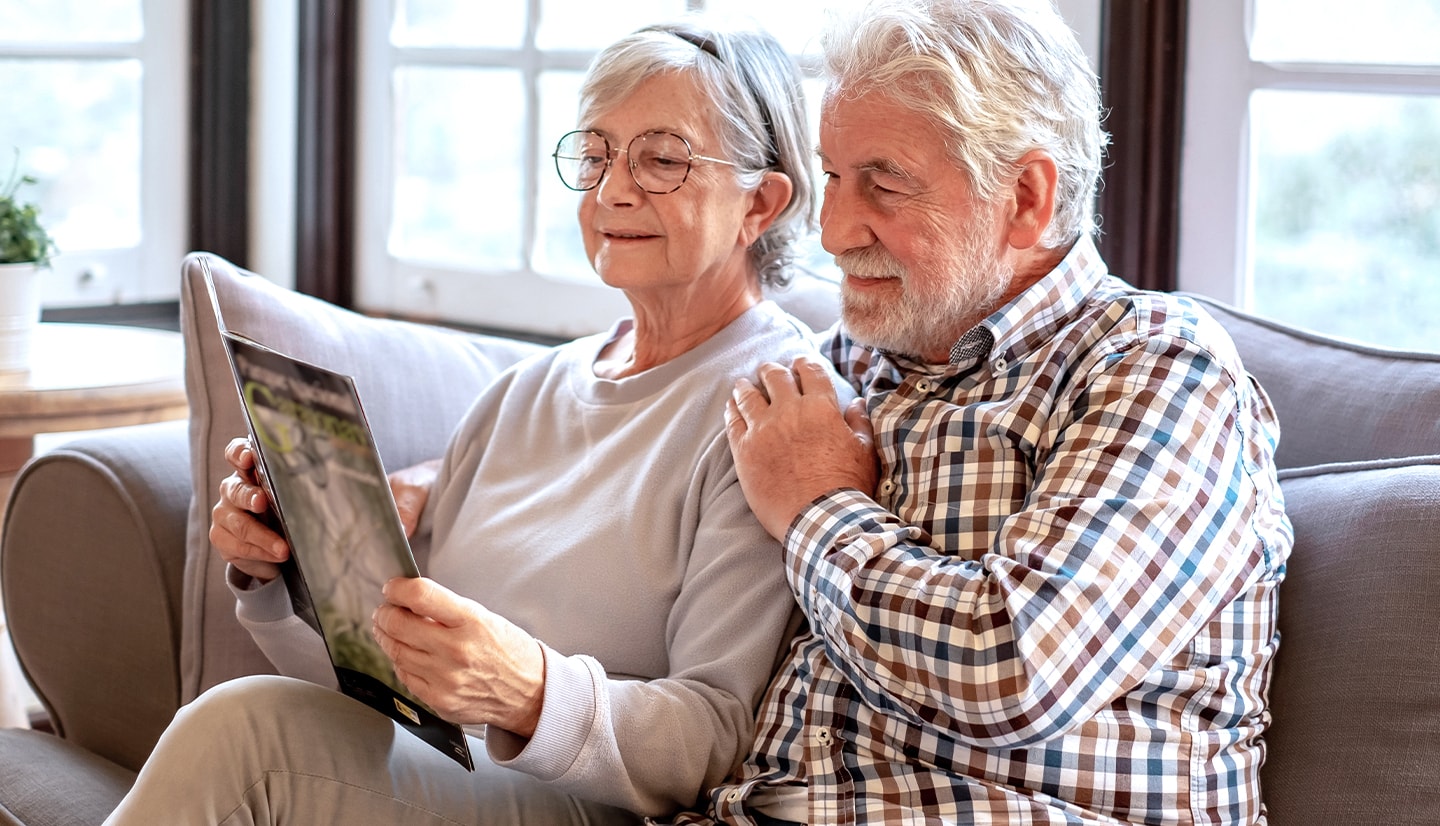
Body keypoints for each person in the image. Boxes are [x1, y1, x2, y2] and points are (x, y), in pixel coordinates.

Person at [103, 17, 850, 826]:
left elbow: (713, 736)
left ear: (763, 200)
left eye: (662, 160)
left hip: (581, 807)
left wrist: (530, 690)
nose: (612, 191)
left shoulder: (775, 412)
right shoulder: (524, 392)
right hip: (436, 779)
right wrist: (279, 573)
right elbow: (379, 692)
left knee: (242, 729)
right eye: (595, 155)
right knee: (251, 722)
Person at [691, 0, 1294, 824]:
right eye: (832, 175)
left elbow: (1016, 670)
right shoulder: (850, 360)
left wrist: (816, 507)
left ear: (1025, 196)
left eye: (885, 183)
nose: (832, 231)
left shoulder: (1158, 368)